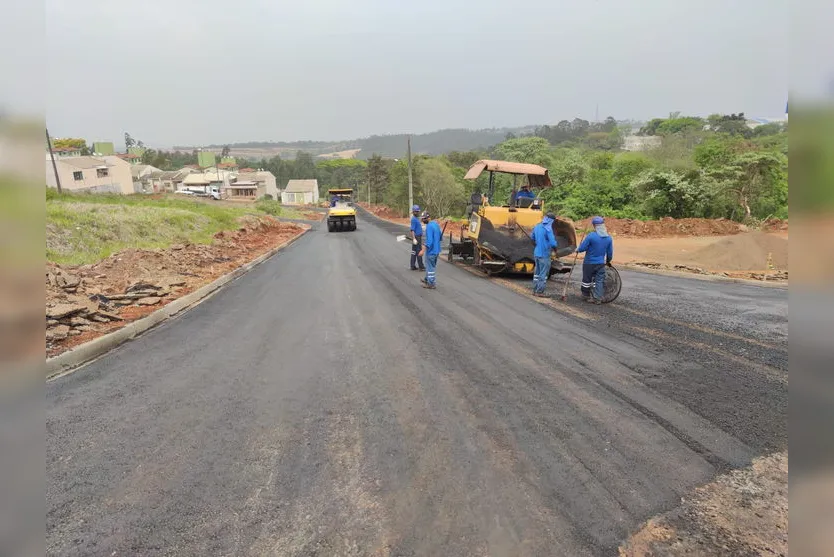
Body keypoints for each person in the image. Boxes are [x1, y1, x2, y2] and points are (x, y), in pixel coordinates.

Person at [576, 216, 614, 304]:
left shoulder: (591, 236)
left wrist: (578, 249)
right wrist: (608, 261)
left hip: (589, 263)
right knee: (599, 281)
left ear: (594, 225)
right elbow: (610, 253)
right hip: (601, 263)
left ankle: (585, 295)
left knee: (587, 279)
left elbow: (582, 248)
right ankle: (597, 298)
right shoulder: (608, 238)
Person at [530, 212, 559, 296]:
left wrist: (538, 245)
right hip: (545, 254)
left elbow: (532, 238)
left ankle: (535, 290)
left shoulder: (537, 226)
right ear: (551, 220)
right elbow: (553, 243)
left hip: (536, 253)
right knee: (543, 274)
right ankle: (540, 292)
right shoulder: (548, 229)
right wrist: (555, 251)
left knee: (537, 273)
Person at [418, 210, 442, 289]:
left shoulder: (429, 227)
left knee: (430, 267)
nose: (423, 220)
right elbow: (440, 237)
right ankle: (427, 279)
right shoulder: (436, 224)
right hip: (437, 250)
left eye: (424, 219)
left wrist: (422, 250)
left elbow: (429, 241)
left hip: (431, 251)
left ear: (428, 218)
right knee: (430, 265)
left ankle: (431, 283)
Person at [409, 205, 425, 271]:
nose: (417, 212)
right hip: (417, 237)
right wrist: (414, 238)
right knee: (419, 251)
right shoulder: (414, 219)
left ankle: (412, 266)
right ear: (413, 212)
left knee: (414, 252)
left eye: (417, 211)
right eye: (415, 211)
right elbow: (412, 230)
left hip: (417, 237)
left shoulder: (416, 218)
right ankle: (421, 266)